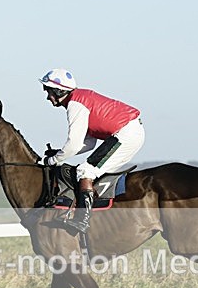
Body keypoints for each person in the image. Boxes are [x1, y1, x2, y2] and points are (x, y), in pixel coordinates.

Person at [39, 68, 145, 233]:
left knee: (85, 171)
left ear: (59, 91)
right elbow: (88, 143)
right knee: (87, 169)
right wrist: (60, 152)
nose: (47, 97)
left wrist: (53, 160)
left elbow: (74, 145)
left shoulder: (75, 104)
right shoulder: (79, 99)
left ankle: (83, 220)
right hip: (128, 131)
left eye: (48, 91)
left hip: (125, 133)